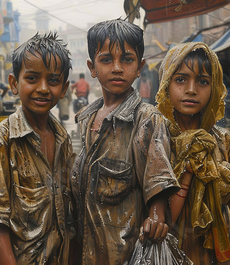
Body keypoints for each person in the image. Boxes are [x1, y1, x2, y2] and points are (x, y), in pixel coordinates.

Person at [70, 19, 179, 265]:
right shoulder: (87, 118)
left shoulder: (147, 120)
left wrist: (156, 218)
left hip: (126, 254)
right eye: (107, 60)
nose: (117, 68)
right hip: (86, 252)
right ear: (92, 67)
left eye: (127, 60)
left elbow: (157, 189)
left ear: (139, 66)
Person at [0, 32, 73, 264]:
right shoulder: (2, 139)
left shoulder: (62, 138)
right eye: (32, 78)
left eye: (53, 81)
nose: (43, 88)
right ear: (14, 83)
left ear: (64, 88)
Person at [156, 42, 230, 265]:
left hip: (219, 251)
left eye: (203, 82)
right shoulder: (157, 141)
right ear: (165, 84)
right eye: (180, 79)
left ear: (214, 88)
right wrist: (187, 174)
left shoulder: (224, 141)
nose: (191, 89)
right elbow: (156, 211)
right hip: (171, 250)